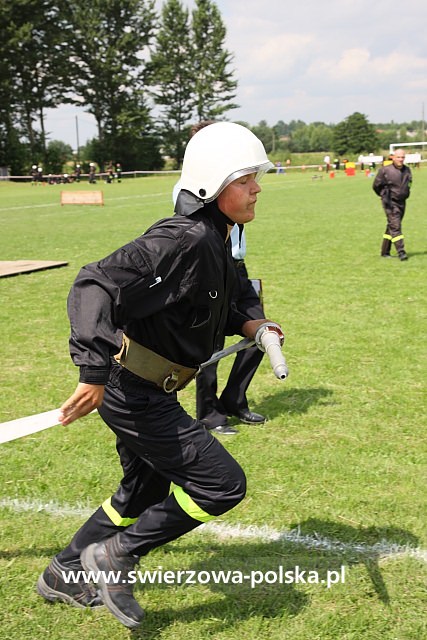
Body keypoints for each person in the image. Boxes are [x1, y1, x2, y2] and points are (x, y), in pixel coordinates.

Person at [36, 122, 281, 629]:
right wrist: (92, 368)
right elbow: (95, 283)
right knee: (221, 485)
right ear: (213, 186)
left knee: (141, 492)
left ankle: (63, 574)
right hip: (131, 390)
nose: (257, 187)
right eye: (246, 179)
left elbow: (222, 300)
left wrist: (252, 324)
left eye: (257, 177)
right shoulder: (182, 237)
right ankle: (112, 556)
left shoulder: (220, 235)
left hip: (152, 390)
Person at [196, 222, 266, 435]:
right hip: (213, 269)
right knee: (211, 347)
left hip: (238, 269)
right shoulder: (192, 189)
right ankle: (209, 414)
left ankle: (234, 399)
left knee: (262, 335)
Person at [373, 148, 412, 260]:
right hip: (389, 202)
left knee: (392, 225)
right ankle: (401, 252)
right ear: (392, 157)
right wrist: (384, 195)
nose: (400, 159)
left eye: (402, 157)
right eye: (398, 157)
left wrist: (407, 193)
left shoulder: (407, 170)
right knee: (396, 226)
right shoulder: (385, 170)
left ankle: (385, 251)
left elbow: (409, 184)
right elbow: (376, 186)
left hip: (402, 201)